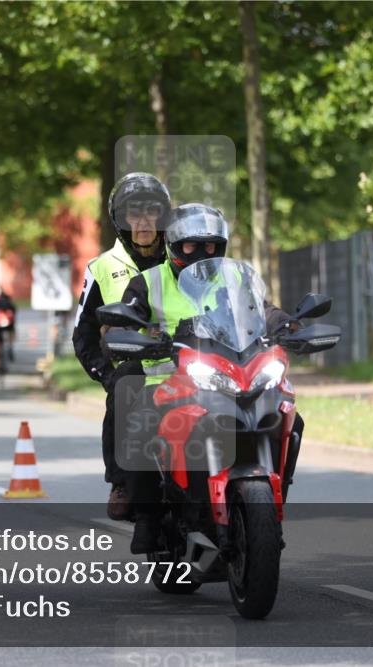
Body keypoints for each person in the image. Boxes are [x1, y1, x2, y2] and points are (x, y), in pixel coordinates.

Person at [117, 203, 303, 553]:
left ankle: (272, 495)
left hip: (232, 369)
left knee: (289, 412)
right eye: (190, 246)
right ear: (173, 245)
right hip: (169, 375)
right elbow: (123, 321)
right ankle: (148, 516)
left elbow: (262, 310)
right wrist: (132, 337)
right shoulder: (148, 282)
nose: (202, 253)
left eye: (211, 246)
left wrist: (288, 324)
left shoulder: (234, 278)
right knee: (140, 420)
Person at [72, 172, 171, 520]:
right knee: (124, 386)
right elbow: (83, 332)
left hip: (185, 360)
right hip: (133, 363)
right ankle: (122, 482)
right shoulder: (101, 267)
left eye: (151, 211)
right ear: (120, 219)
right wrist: (104, 373)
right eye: (134, 213)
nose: (143, 221)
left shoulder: (183, 258)